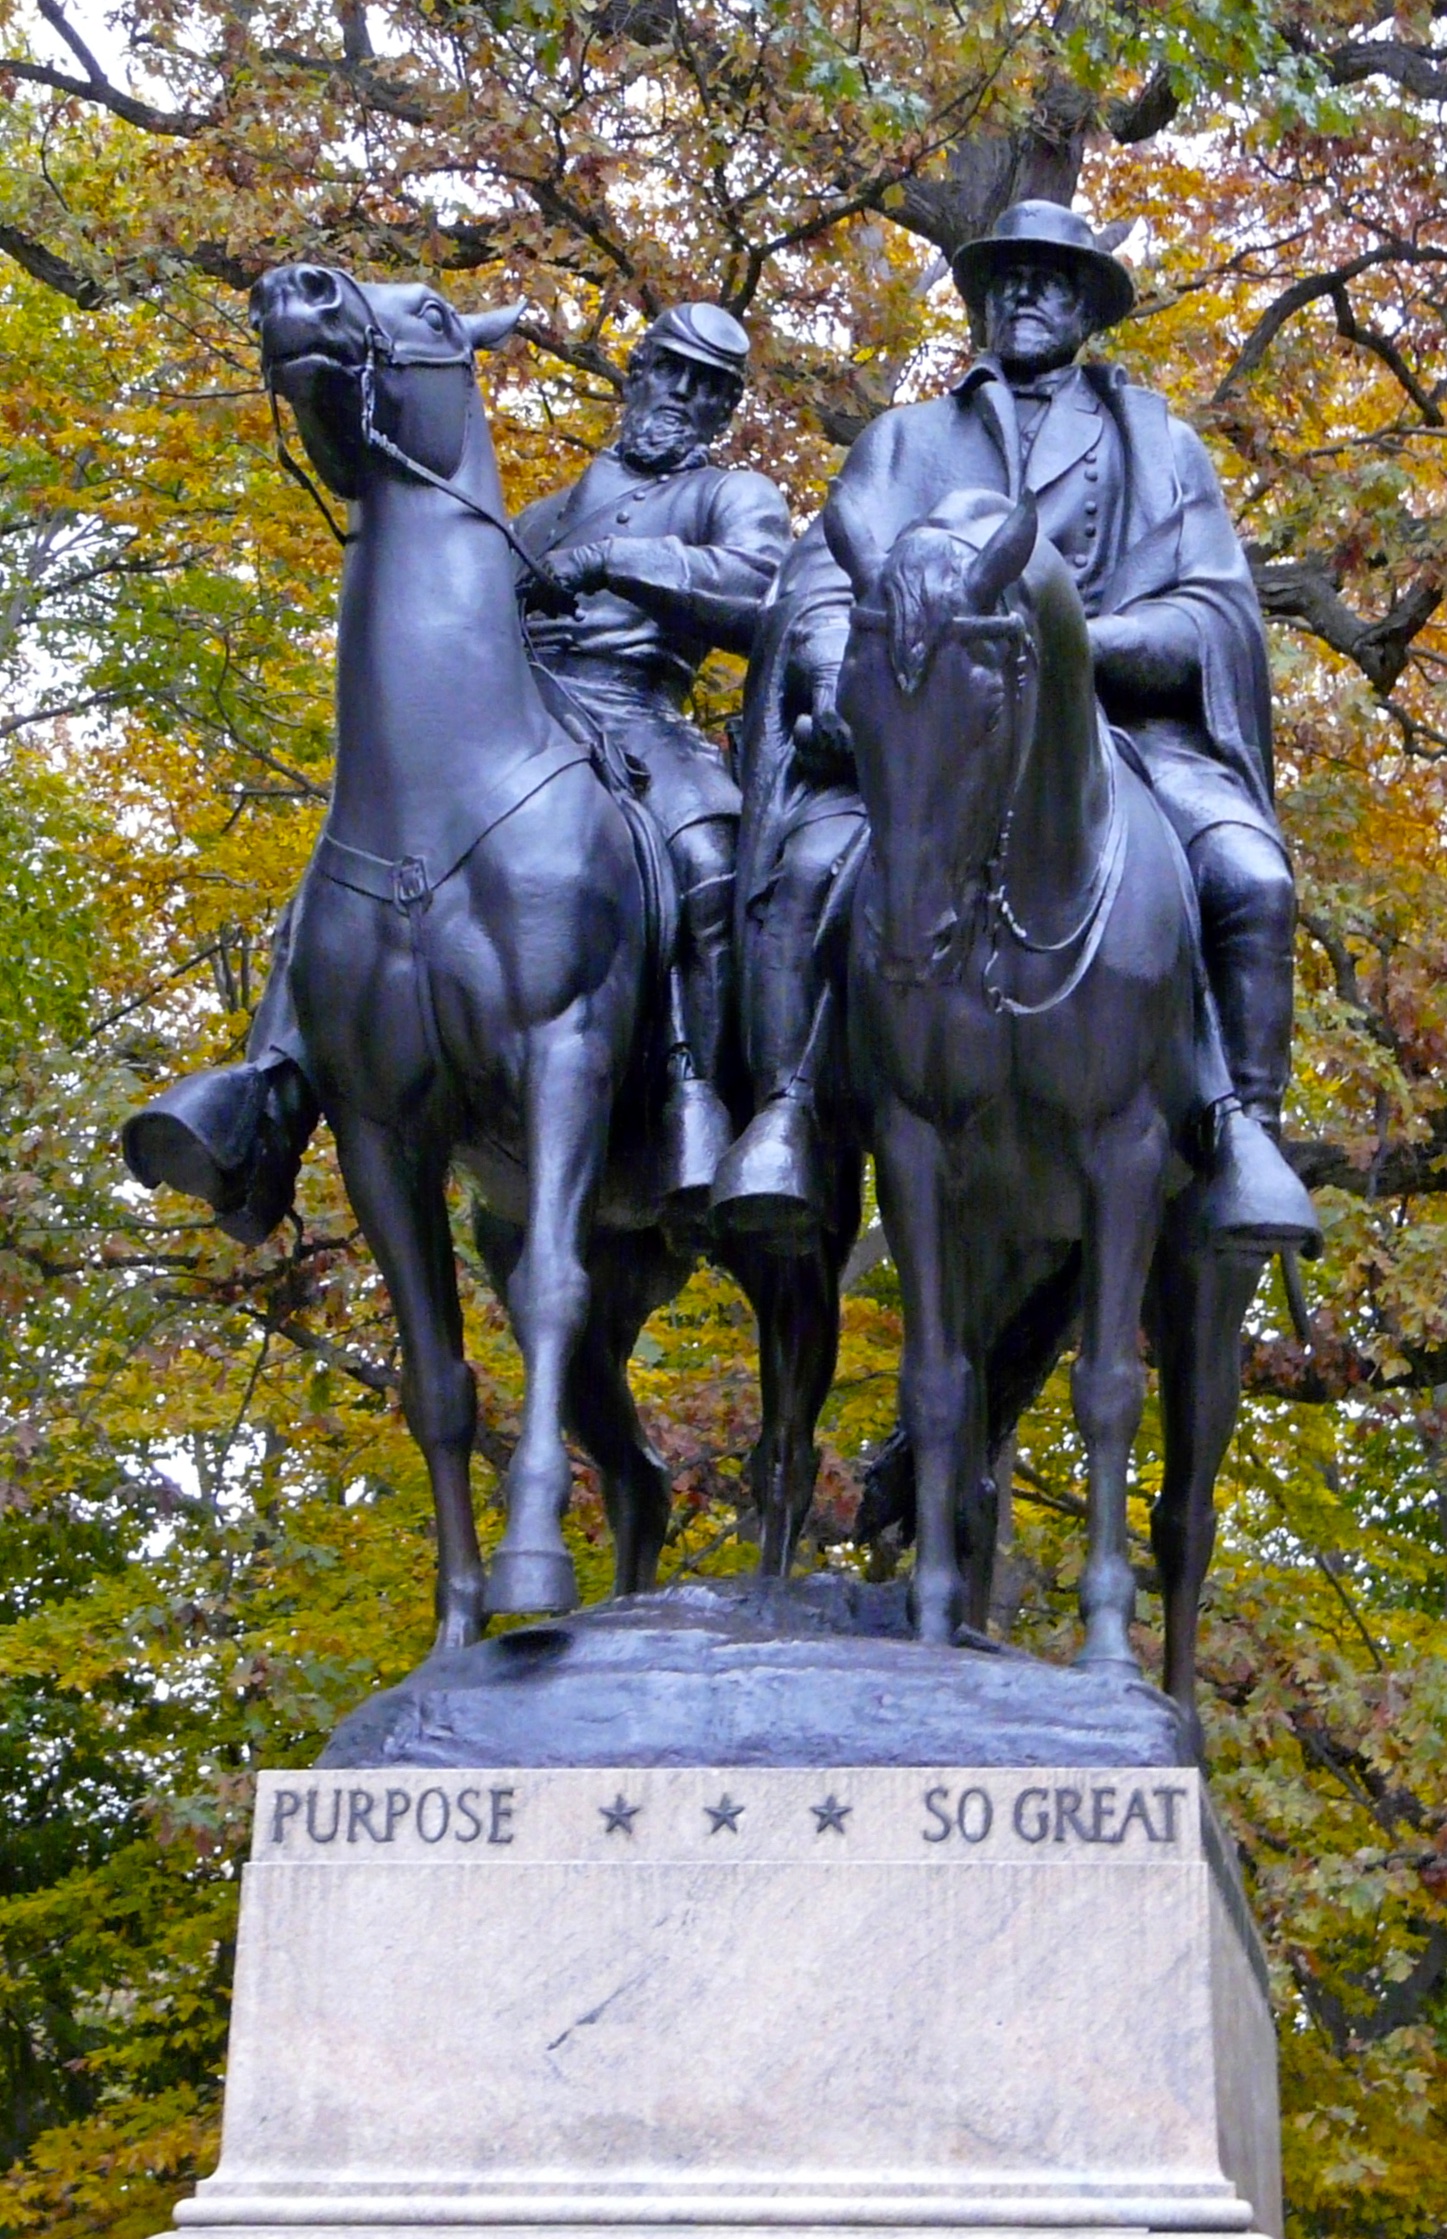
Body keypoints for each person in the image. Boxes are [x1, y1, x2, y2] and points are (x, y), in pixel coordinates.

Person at [712, 199, 1319, 1258]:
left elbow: (1213, 614)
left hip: (1115, 743)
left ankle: (1239, 1134)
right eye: (1005, 277)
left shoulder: (1156, 445)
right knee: (802, 873)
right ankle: (792, 1112)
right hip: (924, 741)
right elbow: (816, 587)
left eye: (1048, 277)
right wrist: (826, 672)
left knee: (1250, 882)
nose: (1023, 294)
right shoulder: (905, 440)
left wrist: (1074, 640)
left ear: (1086, 302)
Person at [124, 302, 791, 1239]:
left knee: (714, 860)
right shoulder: (542, 511)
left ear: (724, 409)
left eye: (707, 387)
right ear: (634, 376)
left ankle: (701, 1107)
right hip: (526, 719)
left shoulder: (734, 493)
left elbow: (762, 589)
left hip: (641, 720)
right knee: (344, 864)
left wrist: (614, 563)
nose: (681, 395)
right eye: (668, 371)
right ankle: (266, 1100)